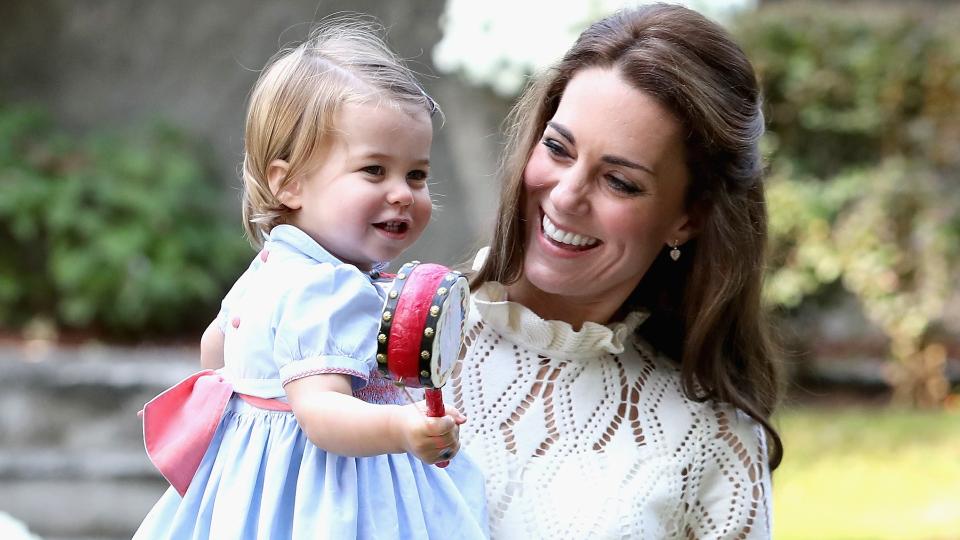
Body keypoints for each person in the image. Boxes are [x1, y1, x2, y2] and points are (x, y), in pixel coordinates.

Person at [134, 17, 487, 539]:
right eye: (374, 170)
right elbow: (321, 414)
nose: (402, 193)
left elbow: (217, 354)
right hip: (330, 492)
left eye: (416, 174)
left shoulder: (273, 266)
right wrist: (401, 427)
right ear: (290, 183)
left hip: (253, 490)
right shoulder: (327, 287)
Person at [442, 4, 782, 538]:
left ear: (687, 219)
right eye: (557, 148)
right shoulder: (385, 329)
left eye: (619, 181)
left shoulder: (713, 438)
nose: (567, 195)